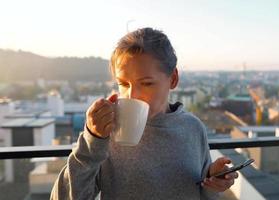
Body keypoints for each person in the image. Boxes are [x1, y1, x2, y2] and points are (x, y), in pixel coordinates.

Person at [50, 27, 238, 200]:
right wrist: (92, 140)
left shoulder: (193, 128)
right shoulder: (107, 133)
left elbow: (202, 195)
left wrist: (213, 183)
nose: (132, 95)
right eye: (123, 84)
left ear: (173, 79)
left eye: (147, 83)